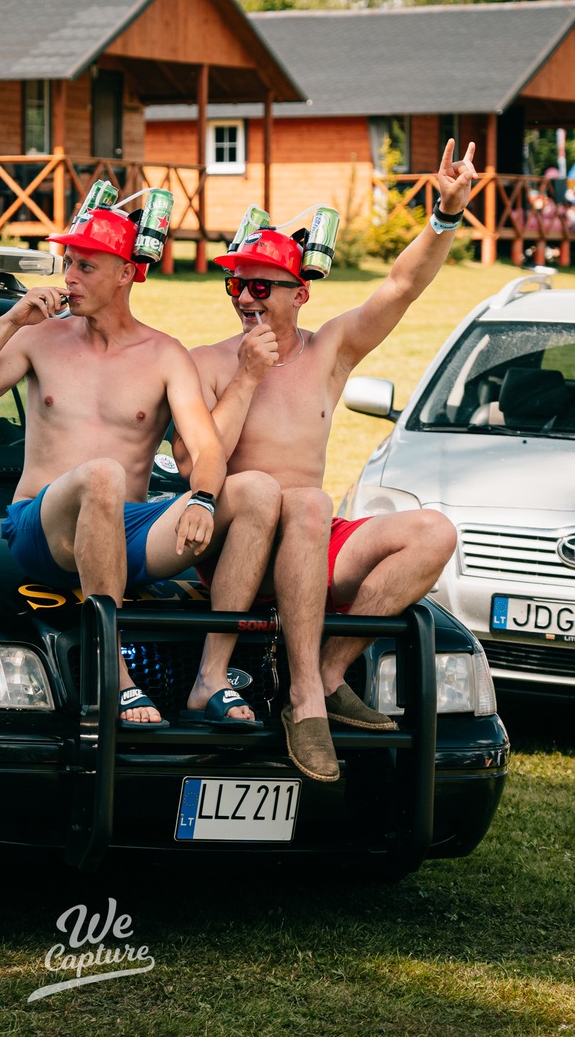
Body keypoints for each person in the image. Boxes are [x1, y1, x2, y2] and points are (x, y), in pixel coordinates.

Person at [182, 141, 478, 781]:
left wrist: (445, 216)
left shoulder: (329, 352)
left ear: (300, 295)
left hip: (312, 541)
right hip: (238, 543)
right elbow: (191, 465)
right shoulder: (208, 361)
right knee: (305, 501)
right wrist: (247, 376)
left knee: (433, 532)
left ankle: (326, 671)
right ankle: (305, 701)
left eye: (261, 286)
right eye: (236, 284)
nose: (245, 298)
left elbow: (401, 286)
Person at [0, 203, 284, 734]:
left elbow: (207, 450)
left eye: (86, 266)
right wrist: (9, 321)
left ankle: (211, 678)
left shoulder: (164, 354)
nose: (69, 277)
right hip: (42, 528)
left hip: (126, 531)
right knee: (103, 474)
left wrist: (205, 500)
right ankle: (114, 676)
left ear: (126, 274)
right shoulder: (38, 338)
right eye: (68, 263)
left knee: (257, 489)